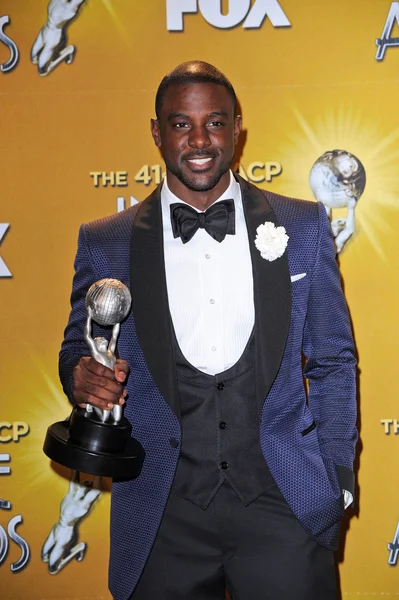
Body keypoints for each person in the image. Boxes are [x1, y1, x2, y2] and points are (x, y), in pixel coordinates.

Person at [59, 61, 357, 600]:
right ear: (156, 131)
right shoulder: (107, 241)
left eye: (215, 123)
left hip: (283, 501)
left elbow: (334, 360)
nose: (199, 140)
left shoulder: (304, 226)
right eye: (180, 124)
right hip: (159, 510)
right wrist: (80, 377)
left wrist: (335, 476)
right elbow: (78, 351)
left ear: (238, 128)